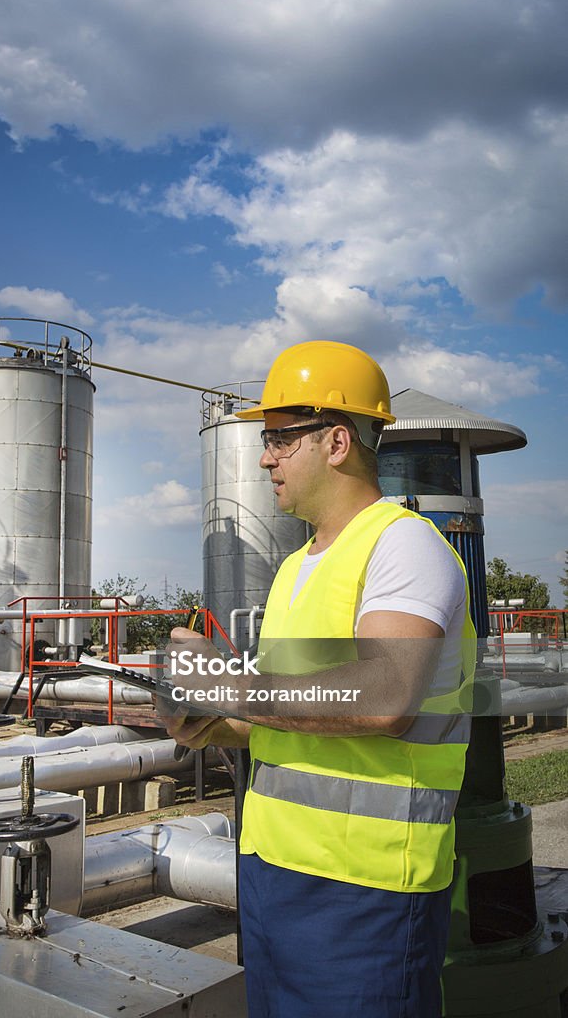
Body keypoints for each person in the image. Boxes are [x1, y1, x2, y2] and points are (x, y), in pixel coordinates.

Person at [163, 341, 476, 1018]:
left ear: (336, 441)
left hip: (366, 891)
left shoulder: (404, 545)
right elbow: (289, 714)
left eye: (278, 438)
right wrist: (203, 721)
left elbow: (384, 699)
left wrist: (230, 688)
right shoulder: (296, 567)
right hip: (274, 875)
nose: (264, 456)